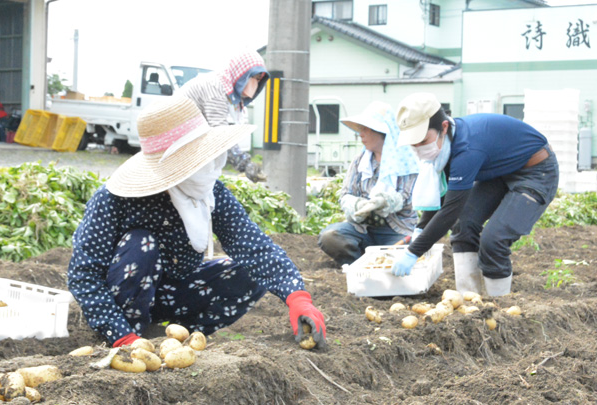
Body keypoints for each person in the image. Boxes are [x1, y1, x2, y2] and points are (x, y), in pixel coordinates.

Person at [67, 96, 326, 349]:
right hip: (124, 301)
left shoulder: (210, 192)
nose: (203, 168)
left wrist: (297, 297)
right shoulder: (114, 199)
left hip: (175, 294)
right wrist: (119, 333)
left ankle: (179, 336)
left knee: (252, 272)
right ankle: (134, 335)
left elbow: (253, 246)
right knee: (141, 243)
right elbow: (83, 275)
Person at [390, 93, 559, 297]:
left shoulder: (467, 150)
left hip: (535, 171)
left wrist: (413, 252)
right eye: (413, 144)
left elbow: (451, 210)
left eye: (423, 140)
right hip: (499, 173)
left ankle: (499, 304)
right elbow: (444, 197)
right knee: (463, 224)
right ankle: (469, 300)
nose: (418, 149)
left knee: (494, 239)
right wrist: (421, 228)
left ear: (443, 127)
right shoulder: (445, 147)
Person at [318, 101, 419, 265]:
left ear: (381, 132)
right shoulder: (360, 161)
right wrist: (357, 206)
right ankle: (359, 264)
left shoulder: (405, 160)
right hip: (363, 229)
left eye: (365, 129)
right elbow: (346, 193)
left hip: (396, 230)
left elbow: (406, 197)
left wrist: (382, 202)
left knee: (410, 249)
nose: (361, 134)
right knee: (330, 237)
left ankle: (379, 262)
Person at [178, 50, 269, 182]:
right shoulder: (215, 88)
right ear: (240, 73)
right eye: (253, 77)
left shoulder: (228, 92)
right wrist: (245, 163)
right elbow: (219, 134)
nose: (254, 84)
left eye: (258, 79)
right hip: (180, 150)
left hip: (192, 151)